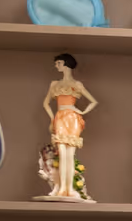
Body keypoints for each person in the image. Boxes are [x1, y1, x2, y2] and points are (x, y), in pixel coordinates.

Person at [41, 54, 97, 202]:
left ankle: (69, 189)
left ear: (66, 64)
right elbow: (46, 103)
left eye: (58, 63)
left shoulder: (77, 84)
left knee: (70, 155)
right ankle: (61, 188)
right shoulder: (55, 84)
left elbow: (93, 101)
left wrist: (81, 112)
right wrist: (52, 118)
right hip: (60, 117)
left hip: (72, 118)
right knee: (62, 153)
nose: (56, 66)